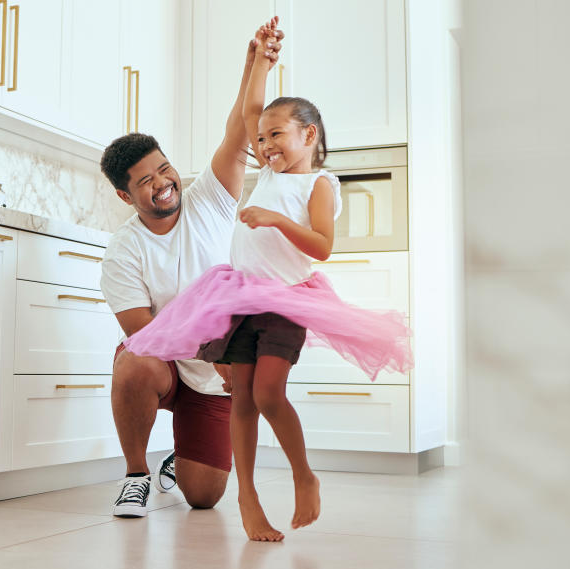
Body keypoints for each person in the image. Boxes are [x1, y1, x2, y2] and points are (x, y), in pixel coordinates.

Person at [123, 18, 413, 541]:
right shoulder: (270, 171)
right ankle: (249, 500)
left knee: (270, 394)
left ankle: (304, 476)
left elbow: (322, 247)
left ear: (309, 135)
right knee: (242, 401)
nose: (265, 144)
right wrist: (260, 60)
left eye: (276, 135)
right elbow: (248, 113)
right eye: (261, 139)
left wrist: (276, 219)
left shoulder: (319, 183)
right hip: (238, 299)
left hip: (286, 301)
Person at [99, 21, 285, 519]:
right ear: (125, 195)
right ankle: (136, 474)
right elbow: (148, 335)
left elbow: (236, 132)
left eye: (164, 169)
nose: (163, 183)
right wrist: (217, 352)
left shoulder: (211, 200)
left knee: (203, 497)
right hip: (166, 364)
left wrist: (257, 63)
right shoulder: (124, 251)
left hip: (213, 378)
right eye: (145, 181)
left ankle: (177, 463)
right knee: (133, 361)